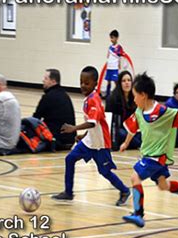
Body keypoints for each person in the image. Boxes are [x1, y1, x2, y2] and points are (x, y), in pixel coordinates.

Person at [120, 73, 178, 228]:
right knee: (163, 185)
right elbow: (132, 129)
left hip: (156, 157)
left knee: (134, 178)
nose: (134, 99)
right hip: (150, 156)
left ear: (143, 95)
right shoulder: (139, 111)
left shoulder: (162, 111)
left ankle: (138, 214)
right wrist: (125, 143)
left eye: (135, 95)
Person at [52, 66, 130, 206]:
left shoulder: (95, 100)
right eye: (81, 82)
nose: (83, 85)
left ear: (95, 83)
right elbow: (94, 124)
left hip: (100, 144)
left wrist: (74, 128)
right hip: (89, 141)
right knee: (70, 158)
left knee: (104, 172)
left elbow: (92, 123)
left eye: (86, 83)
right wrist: (83, 136)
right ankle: (68, 193)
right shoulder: (88, 99)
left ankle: (124, 190)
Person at [33, 69, 76, 150]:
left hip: (56, 141)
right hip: (70, 140)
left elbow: (35, 119)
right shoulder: (65, 95)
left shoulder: (48, 97)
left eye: (46, 78)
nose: (43, 80)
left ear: (53, 81)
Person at [105, 70, 141, 150]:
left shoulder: (135, 97)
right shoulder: (112, 98)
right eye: (124, 81)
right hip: (119, 129)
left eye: (129, 80)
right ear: (119, 83)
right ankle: (133, 143)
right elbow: (108, 119)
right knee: (122, 134)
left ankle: (132, 142)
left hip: (132, 129)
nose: (127, 83)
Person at [105, 29, 124, 97]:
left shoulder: (119, 48)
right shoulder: (110, 47)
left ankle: (119, 94)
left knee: (115, 81)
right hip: (109, 67)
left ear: (116, 38)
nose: (111, 39)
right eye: (110, 38)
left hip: (115, 67)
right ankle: (107, 94)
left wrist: (120, 65)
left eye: (112, 38)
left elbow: (121, 57)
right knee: (108, 81)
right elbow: (108, 56)